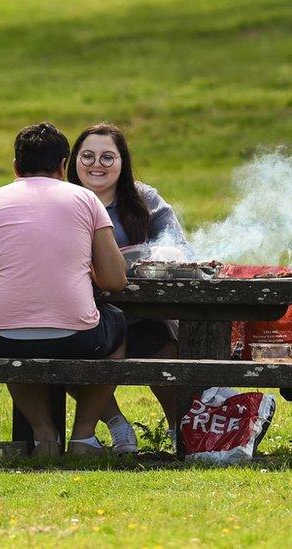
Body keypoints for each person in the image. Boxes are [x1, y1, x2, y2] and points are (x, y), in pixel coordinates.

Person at [0, 122, 129, 457]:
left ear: (16, 166)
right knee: (116, 324)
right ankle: (83, 436)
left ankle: (44, 434)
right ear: (64, 166)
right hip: (79, 337)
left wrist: (9, 282)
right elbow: (115, 281)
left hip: (5, 339)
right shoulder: (86, 200)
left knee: (10, 338)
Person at [67, 123, 191, 447]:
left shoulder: (144, 199)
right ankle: (116, 423)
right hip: (77, 314)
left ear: (122, 163)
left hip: (142, 312)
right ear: (73, 160)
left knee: (163, 346)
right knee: (62, 351)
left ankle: (182, 428)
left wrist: (152, 257)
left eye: (108, 157)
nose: (97, 164)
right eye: (88, 156)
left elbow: (180, 249)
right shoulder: (62, 201)